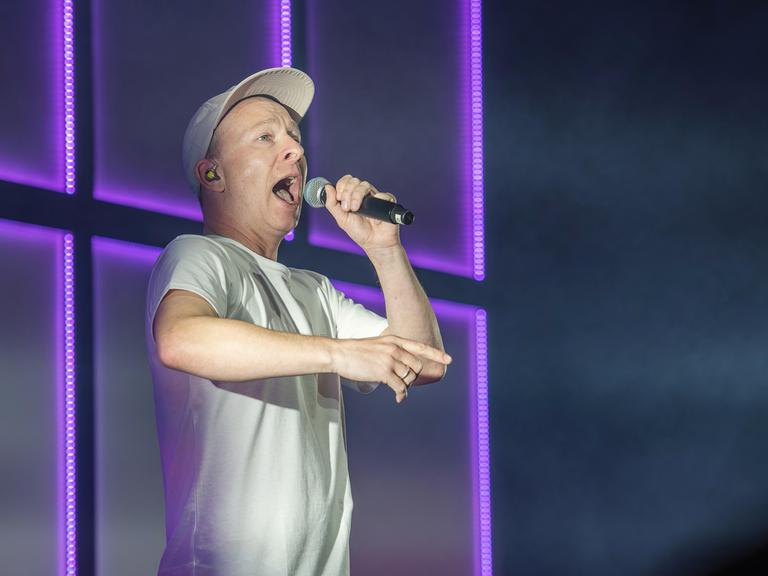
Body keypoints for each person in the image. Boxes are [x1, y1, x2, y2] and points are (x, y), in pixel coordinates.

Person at [145, 67, 451, 576]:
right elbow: (180, 338)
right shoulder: (199, 255)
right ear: (212, 174)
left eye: (295, 137)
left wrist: (385, 251)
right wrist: (338, 352)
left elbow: (423, 362)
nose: (294, 151)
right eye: (266, 137)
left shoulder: (315, 291)